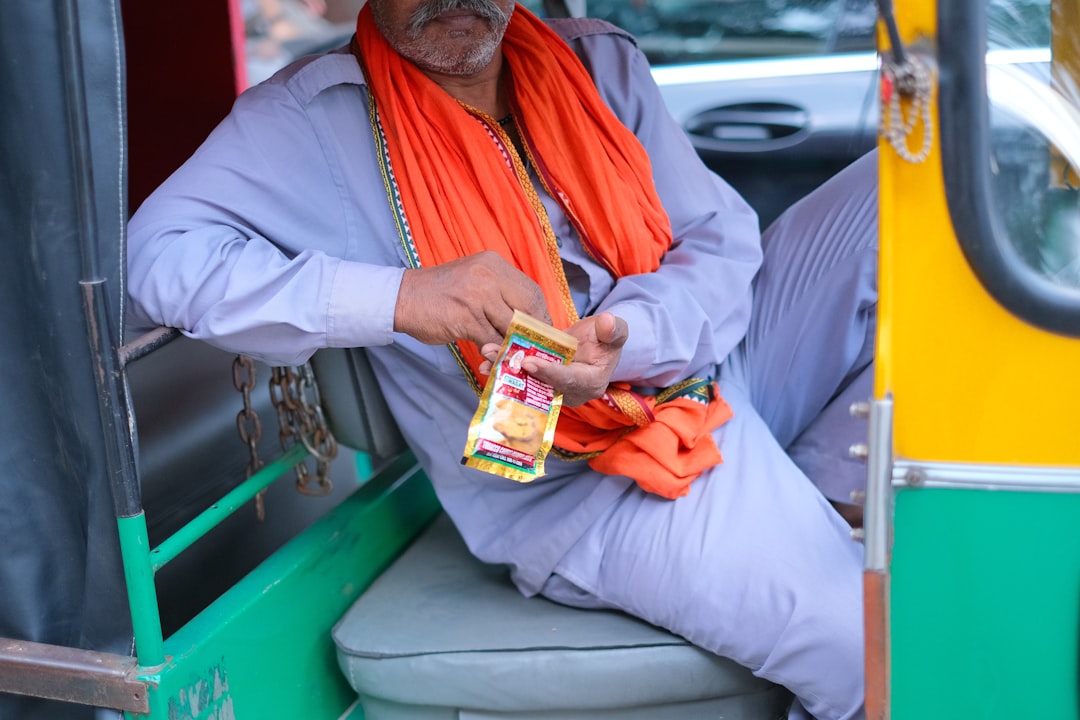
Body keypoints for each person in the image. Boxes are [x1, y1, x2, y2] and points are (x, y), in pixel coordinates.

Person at [125, 1, 877, 718]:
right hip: (583, 486)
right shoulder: (308, 120)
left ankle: (806, 500)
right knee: (876, 657)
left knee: (910, 191)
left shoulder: (597, 61)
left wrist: (628, 337)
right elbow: (158, 257)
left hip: (708, 369)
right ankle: (797, 542)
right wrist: (400, 297)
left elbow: (716, 238)